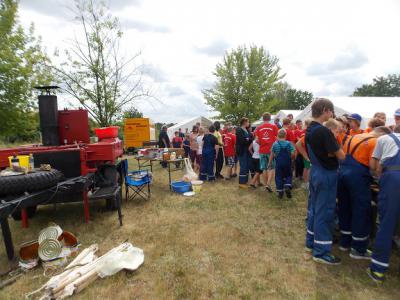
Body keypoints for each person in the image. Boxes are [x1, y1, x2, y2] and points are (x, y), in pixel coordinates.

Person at [337, 126, 390, 261]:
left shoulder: (353, 137)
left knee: (345, 208)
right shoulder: (375, 142)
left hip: (342, 174)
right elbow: (374, 165)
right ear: (382, 135)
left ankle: (344, 242)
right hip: (358, 178)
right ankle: (358, 248)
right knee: (361, 211)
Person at [305, 98, 345, 265]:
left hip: (316, 171)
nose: (332, 114)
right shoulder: (323, 131)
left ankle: (310, 242)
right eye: (331, 111)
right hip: (326, 174)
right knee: (325, 212)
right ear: (325, 111)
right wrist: (334, 152)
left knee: (314, 209)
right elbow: (341, 155)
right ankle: (321, 252)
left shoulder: (309, 129)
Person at [367, 125, 400, 282]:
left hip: (393, 180)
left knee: (386, 223)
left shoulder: (384, 138)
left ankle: (378, 270)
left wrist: (379, 175)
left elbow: (374, 164)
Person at [254, 113, 279, 192]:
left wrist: (261, 143)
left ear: (263, 118)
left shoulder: (258, 127)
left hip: (262, 150)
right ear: (269, 118)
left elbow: (256, 140)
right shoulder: (273, 126)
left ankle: (265, 185)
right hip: (271, 150)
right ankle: (268, 184)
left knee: (264, 168)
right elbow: (278, 138)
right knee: (271, 168)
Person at [269, 129, 296, 199]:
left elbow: (271, 154)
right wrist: (292, 158)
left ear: (278, 135)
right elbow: (293, 153)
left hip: (278, 164)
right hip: (287, 163)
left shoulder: (275, 144)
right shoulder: (289, 143)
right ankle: (287, 186)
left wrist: (269, 163)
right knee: (288, 175)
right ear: (285, 135)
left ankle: (280, 191)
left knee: (278, 176)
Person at [236, 118, 253, 187]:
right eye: (248, 122)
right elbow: (242, 141)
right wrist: (248, 139)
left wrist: (248, 139)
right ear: (244, 122)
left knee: (247, 165)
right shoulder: (239, 130)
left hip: (247, 150)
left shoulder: (247, 130)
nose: (248, 123)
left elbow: (251, 138)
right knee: (243, 166)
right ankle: (241, 183)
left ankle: (245, 181)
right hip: (242, 151)